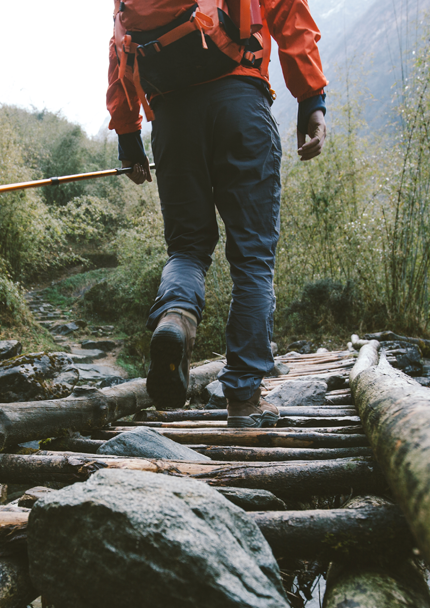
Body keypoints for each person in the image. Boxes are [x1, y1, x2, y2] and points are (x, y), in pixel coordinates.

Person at [107, 0, 327, 427]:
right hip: (240, 102)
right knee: (253, 258)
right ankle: (243, 398)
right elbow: (288, 12)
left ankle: (176, 316)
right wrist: (310, 98)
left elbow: (118, 45)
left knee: (187, 249)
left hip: (171, 116)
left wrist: (128, 133)